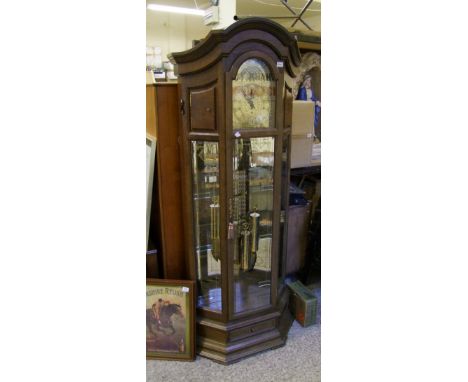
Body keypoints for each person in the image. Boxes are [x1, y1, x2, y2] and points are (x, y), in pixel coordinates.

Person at [296, 74, 321, 141]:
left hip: (311, 106)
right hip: (306, 107)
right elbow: (301, 99)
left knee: (312, 120)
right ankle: (308, 134)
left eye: (310, 80)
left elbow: (313, 98)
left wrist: (317, 101)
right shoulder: (302, 89)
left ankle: (313, 134)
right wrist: (310, 103)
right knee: (308, 120)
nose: (309, 82)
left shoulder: (310, 90)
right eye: (308, 80)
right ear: (305, 81)